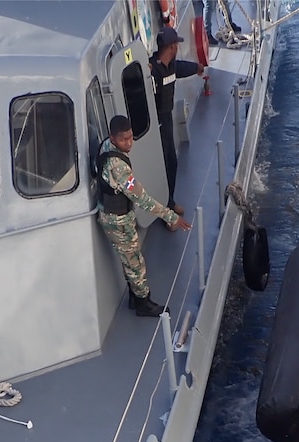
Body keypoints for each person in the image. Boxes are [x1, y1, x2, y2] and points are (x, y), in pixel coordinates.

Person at [97, 115, 191, 317]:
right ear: (113, 139)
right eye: (124, 140)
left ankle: (134, 296)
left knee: (129, 259)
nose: (129, 143)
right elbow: (142, 198)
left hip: (114, 215)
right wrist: (170, 216)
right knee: (135, 263)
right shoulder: (118, 166)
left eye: (131, 138)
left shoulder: (105, 147)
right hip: (118, 221)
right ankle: (143, 304)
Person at [149, 27, 205, 215]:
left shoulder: (171, 66)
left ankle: (169, 201)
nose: (177, 48)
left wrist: (197, 68)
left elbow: (182, 68)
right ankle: (164, 207)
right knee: (162, 164)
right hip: (153, 123)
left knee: (171, 163)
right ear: (172, 46)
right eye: (176, 45)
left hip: (166, 119)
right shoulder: (151, 69)